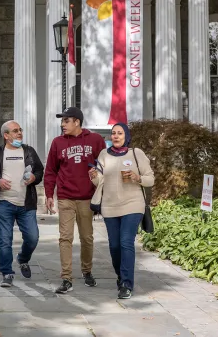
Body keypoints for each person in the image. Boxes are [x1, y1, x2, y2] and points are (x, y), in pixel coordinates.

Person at [44, 107, 106, 294]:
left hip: (87, 198)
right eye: (62, 121)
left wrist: (100, 185)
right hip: (65, 197)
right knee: (65, 238)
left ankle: (87, 272)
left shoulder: (95, 140)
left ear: (77, 122)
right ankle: (66, 278)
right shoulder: (58, 143)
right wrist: (49, 194)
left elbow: (105, 164)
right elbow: (51, 171)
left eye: (66, 121)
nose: (62, 125)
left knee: (87, 238)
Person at [90, 123, 155, 299]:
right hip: (110, 206)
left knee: (126, 242)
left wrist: (137, 177)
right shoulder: (104, 155)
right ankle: (121, 275)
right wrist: (95, 177)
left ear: (126, 136)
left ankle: (127, 283)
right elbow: (100, 182)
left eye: (120, 133)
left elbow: (150, 179)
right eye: (113, 133)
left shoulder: (136, 153)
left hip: (133, 204)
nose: (116, 136)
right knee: (114, 246)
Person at [0, 120, 44, 288]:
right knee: (5, 240)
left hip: (26, 203)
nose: (19, 133)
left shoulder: (29, 151)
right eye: (15, 131)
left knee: (33, 238)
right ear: (6, 135)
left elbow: (39, 171)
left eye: (20, 130)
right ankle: (7, 272)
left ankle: (23, 258)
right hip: (4, 202)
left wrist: (34, 178)